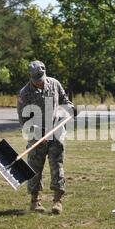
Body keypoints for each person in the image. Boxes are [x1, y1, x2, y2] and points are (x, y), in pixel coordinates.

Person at [17, 60, 75, 214]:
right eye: (37, 82)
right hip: (36, 136)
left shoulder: (55, 84)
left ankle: (57, 201)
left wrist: (70, 109)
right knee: (34, 168)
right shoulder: (25, 93)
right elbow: (23, 121)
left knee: (57, 166)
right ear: (31, 78)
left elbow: (65, 100)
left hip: (56, 132)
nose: (40, 84)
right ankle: (35, 201)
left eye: (41, 80)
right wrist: (37, 134)